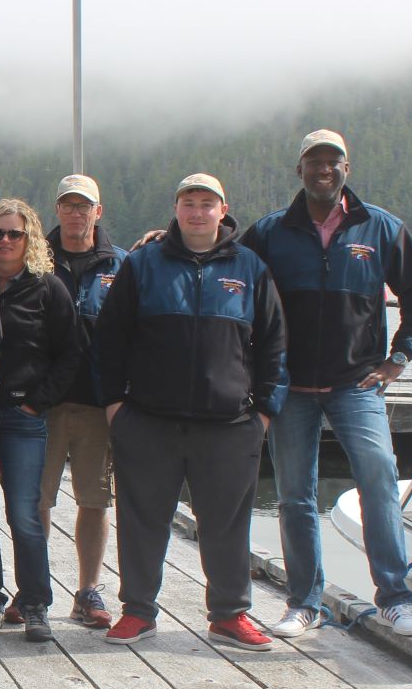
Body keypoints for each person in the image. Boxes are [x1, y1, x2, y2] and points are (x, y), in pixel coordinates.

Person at [242, 129, 412, 638]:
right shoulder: (269, 232)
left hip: (357, 384)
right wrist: (163, 240)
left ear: (346, 170)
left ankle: (395, 599)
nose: (323, 170)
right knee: (294, 497)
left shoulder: (381, 228)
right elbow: (229, 271)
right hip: (290, 387)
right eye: (314, 161)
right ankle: (304, 603)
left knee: (379, 481)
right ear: (300, 170)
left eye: (333, 162)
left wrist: (399, 358)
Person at [96, 174, 287, 649]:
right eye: (188, 203)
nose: (197, 212)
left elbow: (275, 345)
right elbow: (109, 340)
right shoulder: (144, 264)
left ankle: (229, 614)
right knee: (142, 521)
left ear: (223, 211)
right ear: (176, 208)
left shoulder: (250, 268)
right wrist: (115, 407)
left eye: (207, 204)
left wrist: (264, 413)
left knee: (226, 525)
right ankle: (138, 611)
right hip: (148, 421)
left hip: (228, 426)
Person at [0, 200, 83, 640]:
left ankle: (34, 603)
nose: (6, 241)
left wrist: (38, 402)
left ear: (29, 239)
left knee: (26, 515)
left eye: (15, 234)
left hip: (23, 417)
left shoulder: (48, 289)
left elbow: (71, 353)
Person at [38, 173, 125, 629]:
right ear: (57, 210)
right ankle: (34, 589)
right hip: (44, 404)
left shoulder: (122, 264)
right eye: (68, 205)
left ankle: (88, 589)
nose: (76, 213)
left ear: (98, 211)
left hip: (97, 404)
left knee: (95, 500)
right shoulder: (36, 259)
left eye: (84, 205)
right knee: (37, 501)